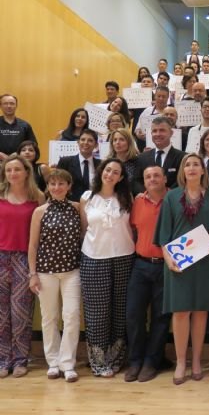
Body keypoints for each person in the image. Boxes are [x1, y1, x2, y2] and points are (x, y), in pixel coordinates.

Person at [154, 154, 209, 385]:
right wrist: (169, 261)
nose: (192, 168)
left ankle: (197, 360)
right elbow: (163, 236)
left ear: (203, 171)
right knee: (181, 312)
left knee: (200, 311)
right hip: (178, 263)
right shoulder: (171, 197)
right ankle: (180, 361)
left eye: (196, 164)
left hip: (205, 261)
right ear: (182, 171)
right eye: (188, 164)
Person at [79, 159, 135, 377]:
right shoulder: (86, 198)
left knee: (120, 311)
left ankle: (117, 358)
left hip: (124, 257)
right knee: (97, 312)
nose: (110, 174)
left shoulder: (126, 198)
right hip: (94, 258)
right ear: (101, 172)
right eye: (108, 170)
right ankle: (99, 361)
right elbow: (85, 229)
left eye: (116, 172)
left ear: (121, 177)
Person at [27, 169, 82, 383]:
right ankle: (53, 362)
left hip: (72, 271)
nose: (56, 187)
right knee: (50, 317)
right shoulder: (40, 211)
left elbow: (84, 237)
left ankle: (67, 363)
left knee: (72, 315)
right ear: (48, 187)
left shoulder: (77, 208)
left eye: (61, 183)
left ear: (69, 186)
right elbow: (32, 246)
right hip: (45, 271)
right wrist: (33, 274)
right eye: (52, 184)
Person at [124, 166, 170, 383]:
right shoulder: (138, 202)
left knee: (161, 317)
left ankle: (152, 362)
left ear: (165, 179)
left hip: (166, 267)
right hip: (141, 265)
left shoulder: (174, 199)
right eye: (148, 176)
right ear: (143, 181)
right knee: (134, 315)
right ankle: (135, 360)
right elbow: (133, 229)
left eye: (156, 176)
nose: (152, 179)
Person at [0, 155, 44, 378]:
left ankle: (20, 359)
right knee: (1, 313)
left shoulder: (37, 198)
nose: (13, 174)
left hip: (24, 260)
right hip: (0, 258)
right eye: (9, 170)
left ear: (26, 172)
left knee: (21, 313)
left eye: (17, 169)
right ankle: (3, 359)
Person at [133, 117, 186, 195]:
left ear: (171, 133)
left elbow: (182, 180)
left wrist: (167, 195)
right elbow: (136, 181)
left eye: (162, 130)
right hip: (148, 202)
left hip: (173, 202)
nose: (158, 134)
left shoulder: (183, 157)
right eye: (154, 131)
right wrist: (148, 194)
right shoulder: (142, 158)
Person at [57, 129, 100, 202]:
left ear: (96, 145)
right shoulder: (65, 162)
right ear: (78, 142)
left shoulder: (101, 164)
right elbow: (57, 184)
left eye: (90, 140)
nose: (86, 143)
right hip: (70, 204)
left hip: (94, 205)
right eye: (83, 139)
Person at [0, 94, 37, 162]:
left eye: (12, 103)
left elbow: (33, 146)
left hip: (20, 162)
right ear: (1, 106)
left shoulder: (25, 125)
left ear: (16, 106)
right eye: (5, 103)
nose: (9, 106)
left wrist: (18, 154)